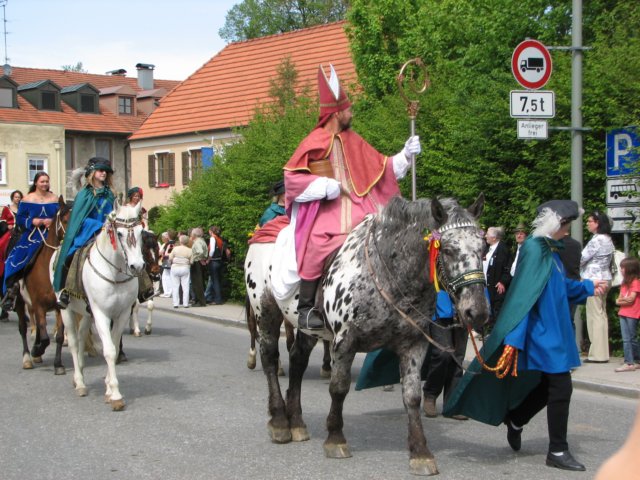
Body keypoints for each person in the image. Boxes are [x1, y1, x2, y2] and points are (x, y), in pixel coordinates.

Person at [444, 199, 608, 472]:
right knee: (561, 387)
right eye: (566, 225)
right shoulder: (534, 248)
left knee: (546, 387)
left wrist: (590, 287)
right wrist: (513, 339)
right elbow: (523, 295)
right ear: (555, 224)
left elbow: (560, 287)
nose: (568, 230)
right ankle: (557, 449)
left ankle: (517, 419)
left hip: (554, 329)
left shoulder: (551, 251)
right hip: (542, 332)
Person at [283, 64, 420, 330]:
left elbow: (383, 168)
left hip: (362, 205)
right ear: (337, 113)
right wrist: (323, 185)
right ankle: (306, 308)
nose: (352, 113)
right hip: (329, 210)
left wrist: (405, 154)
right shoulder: (314, 140)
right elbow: (291, 179)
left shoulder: (354, 139)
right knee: (316, 243)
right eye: (348, 109)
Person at [53, 157, 116, 308]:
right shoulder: (84, 194)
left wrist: (112, 221)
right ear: (92, 172)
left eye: (106, 171)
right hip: (87, 233)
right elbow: (80, 219)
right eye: (100, 170)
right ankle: (65, 290)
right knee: (72, 256)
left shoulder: (110, 194)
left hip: (108, 233)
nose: (104, 174)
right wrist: (98, 226)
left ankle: (139, 290)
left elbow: (112, 212)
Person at [2, 174, 59, 310]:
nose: (45, 184)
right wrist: (32, 221)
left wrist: (52, 221)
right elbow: (21, 219)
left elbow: (59, 215)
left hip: (51, 234)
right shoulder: (27, 199)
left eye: (47, 181)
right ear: (36, 183)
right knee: (15, 257)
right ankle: (13, 289)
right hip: (32, 235)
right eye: (42, 181)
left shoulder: (54, 198)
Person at [421, 290, 468, 421]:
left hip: (465, 303)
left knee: (458, 357)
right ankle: (430, 394)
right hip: (441, 304)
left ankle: (452, 403)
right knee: (443, 354)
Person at [580, 210, 614, 363]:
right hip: (605, 278)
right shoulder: (608, 239)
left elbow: (582, 258)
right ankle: (602, 352)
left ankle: (597, 354)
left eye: (590, 221)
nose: (587, 224)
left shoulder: (597, 240)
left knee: (595, 315)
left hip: (594, 280)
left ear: (597, 223)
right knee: (601, 314)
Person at [614, 257, 640, 372]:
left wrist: (621, 301)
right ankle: (632, 361)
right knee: (626, 338)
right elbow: (618, 300)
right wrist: (622, 300)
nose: (621, 270)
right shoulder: (624, 283)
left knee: (631, 338)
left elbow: (631, 299)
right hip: (623, 312)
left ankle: (631, 362)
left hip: (632, 313)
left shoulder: (636, 282)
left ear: (630, 269)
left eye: (623, 267)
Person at [0, 190, 22, 320]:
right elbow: (2, 223)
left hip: (23, 233)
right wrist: (7, 226)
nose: (17, 199)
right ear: (12, 198)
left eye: (19, 197)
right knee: (2, 246)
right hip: (10, 234)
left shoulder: (24, 208)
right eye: (15, 197)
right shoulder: (7, 210)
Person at [483, 226, 511, 325]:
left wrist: (503, 281)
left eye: (487, 234)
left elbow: (507, 268)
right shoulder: (487, 248)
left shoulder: (503, 249)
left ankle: (494, 332)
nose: (485, 236)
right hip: (486, 285)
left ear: (494, 238)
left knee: (496, 309)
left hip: (496, 286)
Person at [205, 225, 230, 305]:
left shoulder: (213, 238)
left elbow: (212, 250)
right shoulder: (219, 239)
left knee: (215, 281)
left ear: (211, 231)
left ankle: (218, 299)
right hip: (219, 261)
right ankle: (210, 297)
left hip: (213, 261)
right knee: (216, 280)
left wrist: (208, 259)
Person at [169, 234, 192, 308]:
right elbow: (192, 261)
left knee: (175, 286)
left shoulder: (175, 248)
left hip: (175, 267)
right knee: (185, 287)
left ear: (180, 241)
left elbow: (170, 258)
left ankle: (175, 303)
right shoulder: (190, 250)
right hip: (185, 268)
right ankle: (185, 303)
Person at [189, 227, 208, 307]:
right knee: (199, 282)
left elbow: (200, 251)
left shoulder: (197, 242)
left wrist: (194, 257)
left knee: (197, 283)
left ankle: (200, 301)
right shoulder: (202, 241)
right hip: (201, 263)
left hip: (197, 263)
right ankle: (199, 300)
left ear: (194, 235)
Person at [159, 230, 176, 298]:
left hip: (167, 261)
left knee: (166, 276)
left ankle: (168, 292)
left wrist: (161, 253)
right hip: (173, 261)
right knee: (170, 276)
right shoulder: (175, 242)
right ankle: (170, 291)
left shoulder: (168, 243)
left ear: (168, 236)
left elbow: (164, 252)